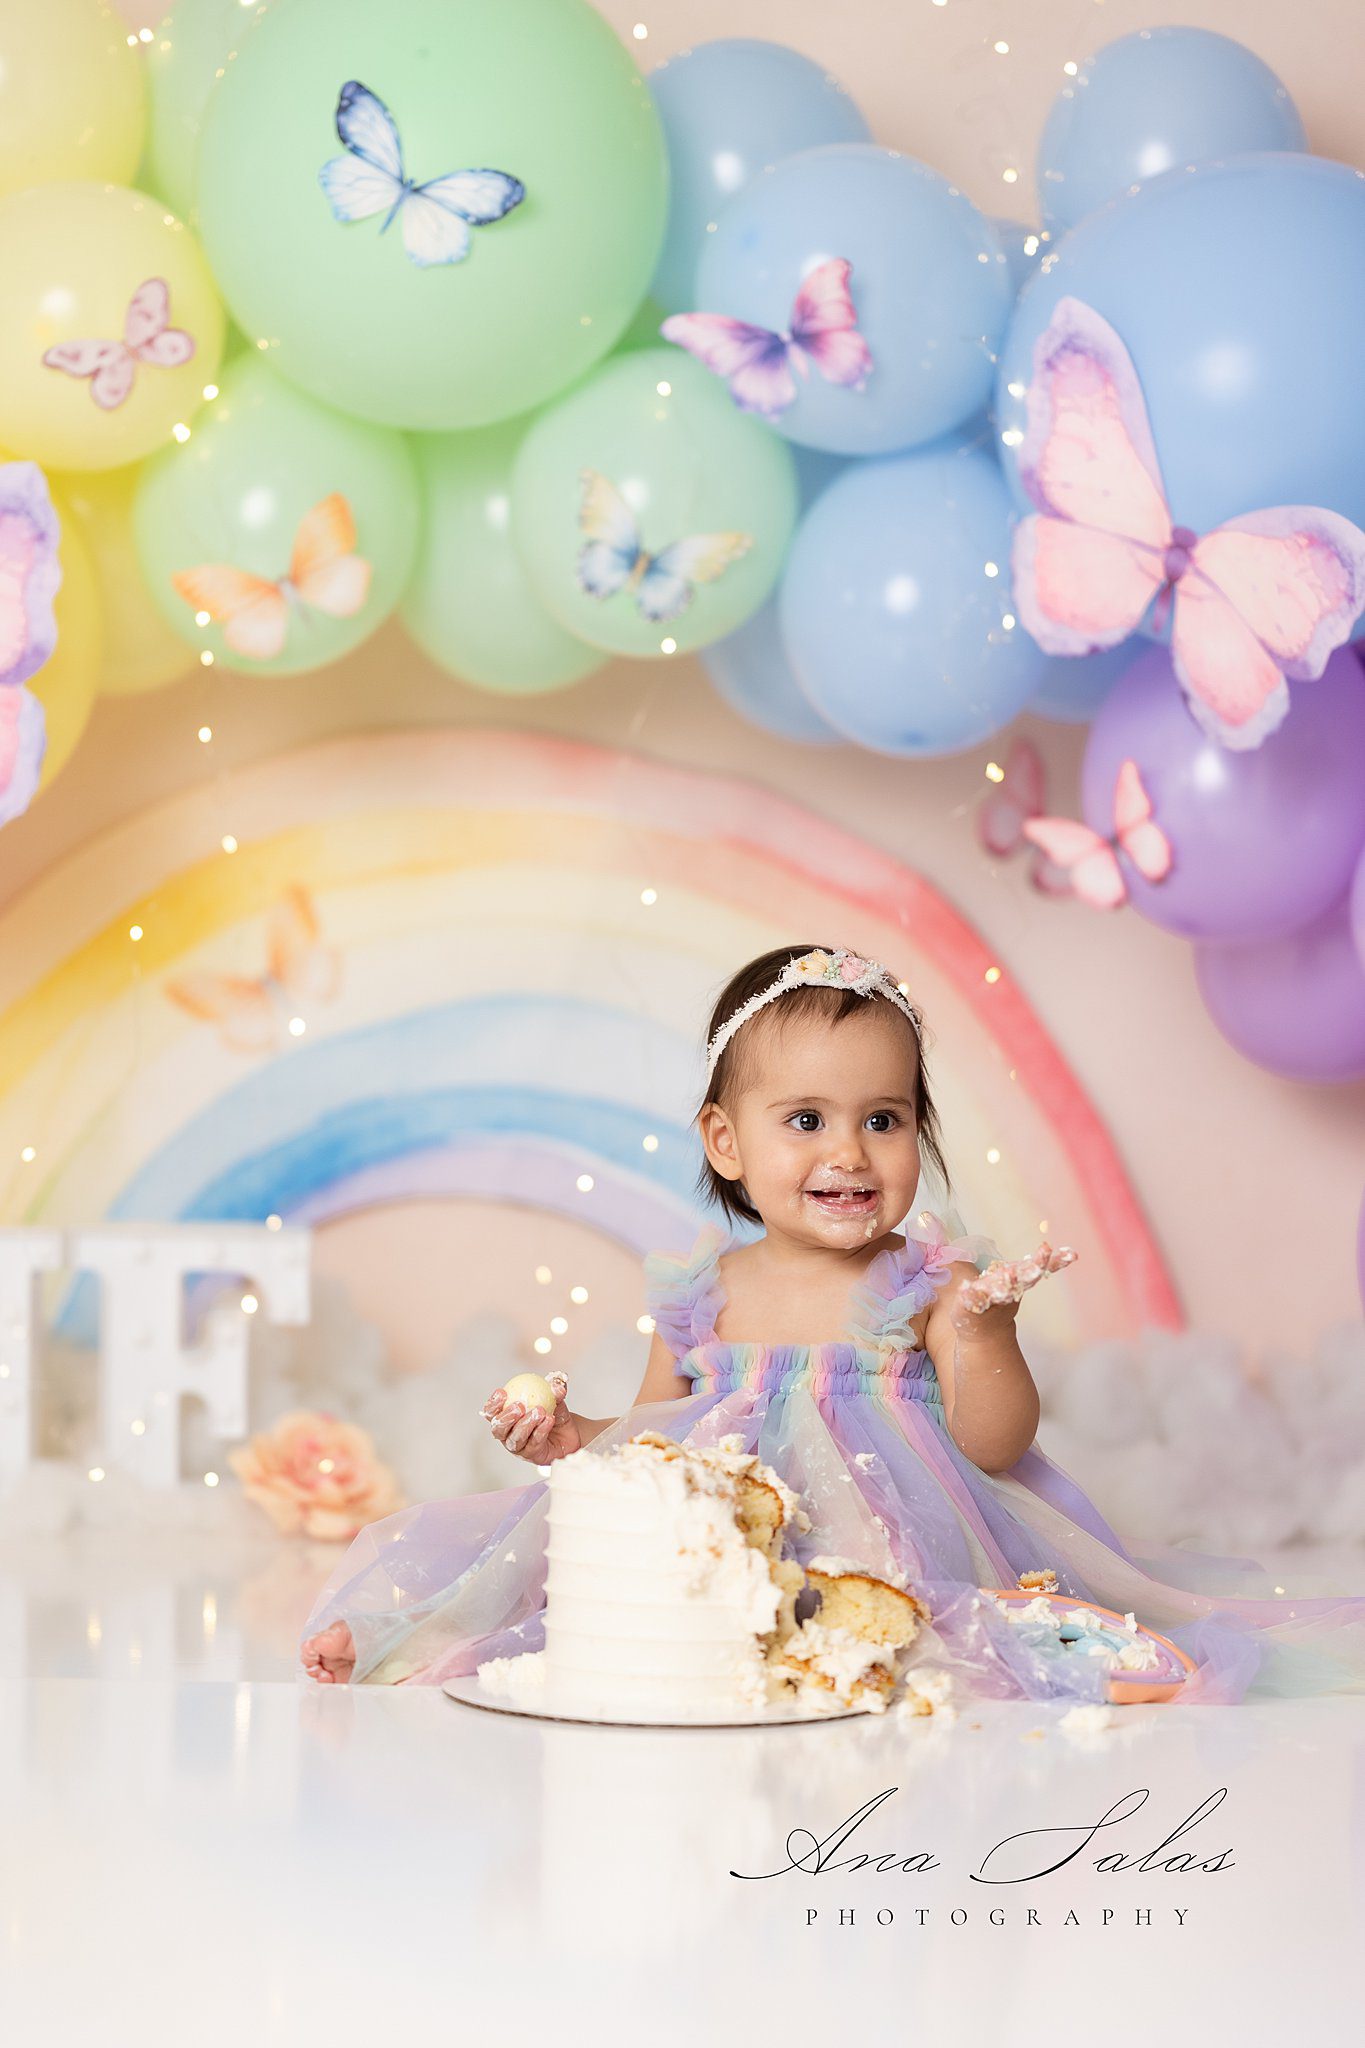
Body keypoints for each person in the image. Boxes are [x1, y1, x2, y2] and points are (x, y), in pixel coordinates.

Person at [300, 942, 1365, 1701]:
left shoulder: (926, 1280)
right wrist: (572, 1436)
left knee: (958, 1636)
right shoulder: (698, 1291)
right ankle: (414, 1634)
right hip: (717, 1562)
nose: (849, 1152)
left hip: (891, 1559)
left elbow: (996, 1444)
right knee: (544, 1580)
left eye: (885, 1119)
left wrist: (984, 1330)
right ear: (725, 1140)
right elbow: (649, 1452)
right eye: (806, 1119)